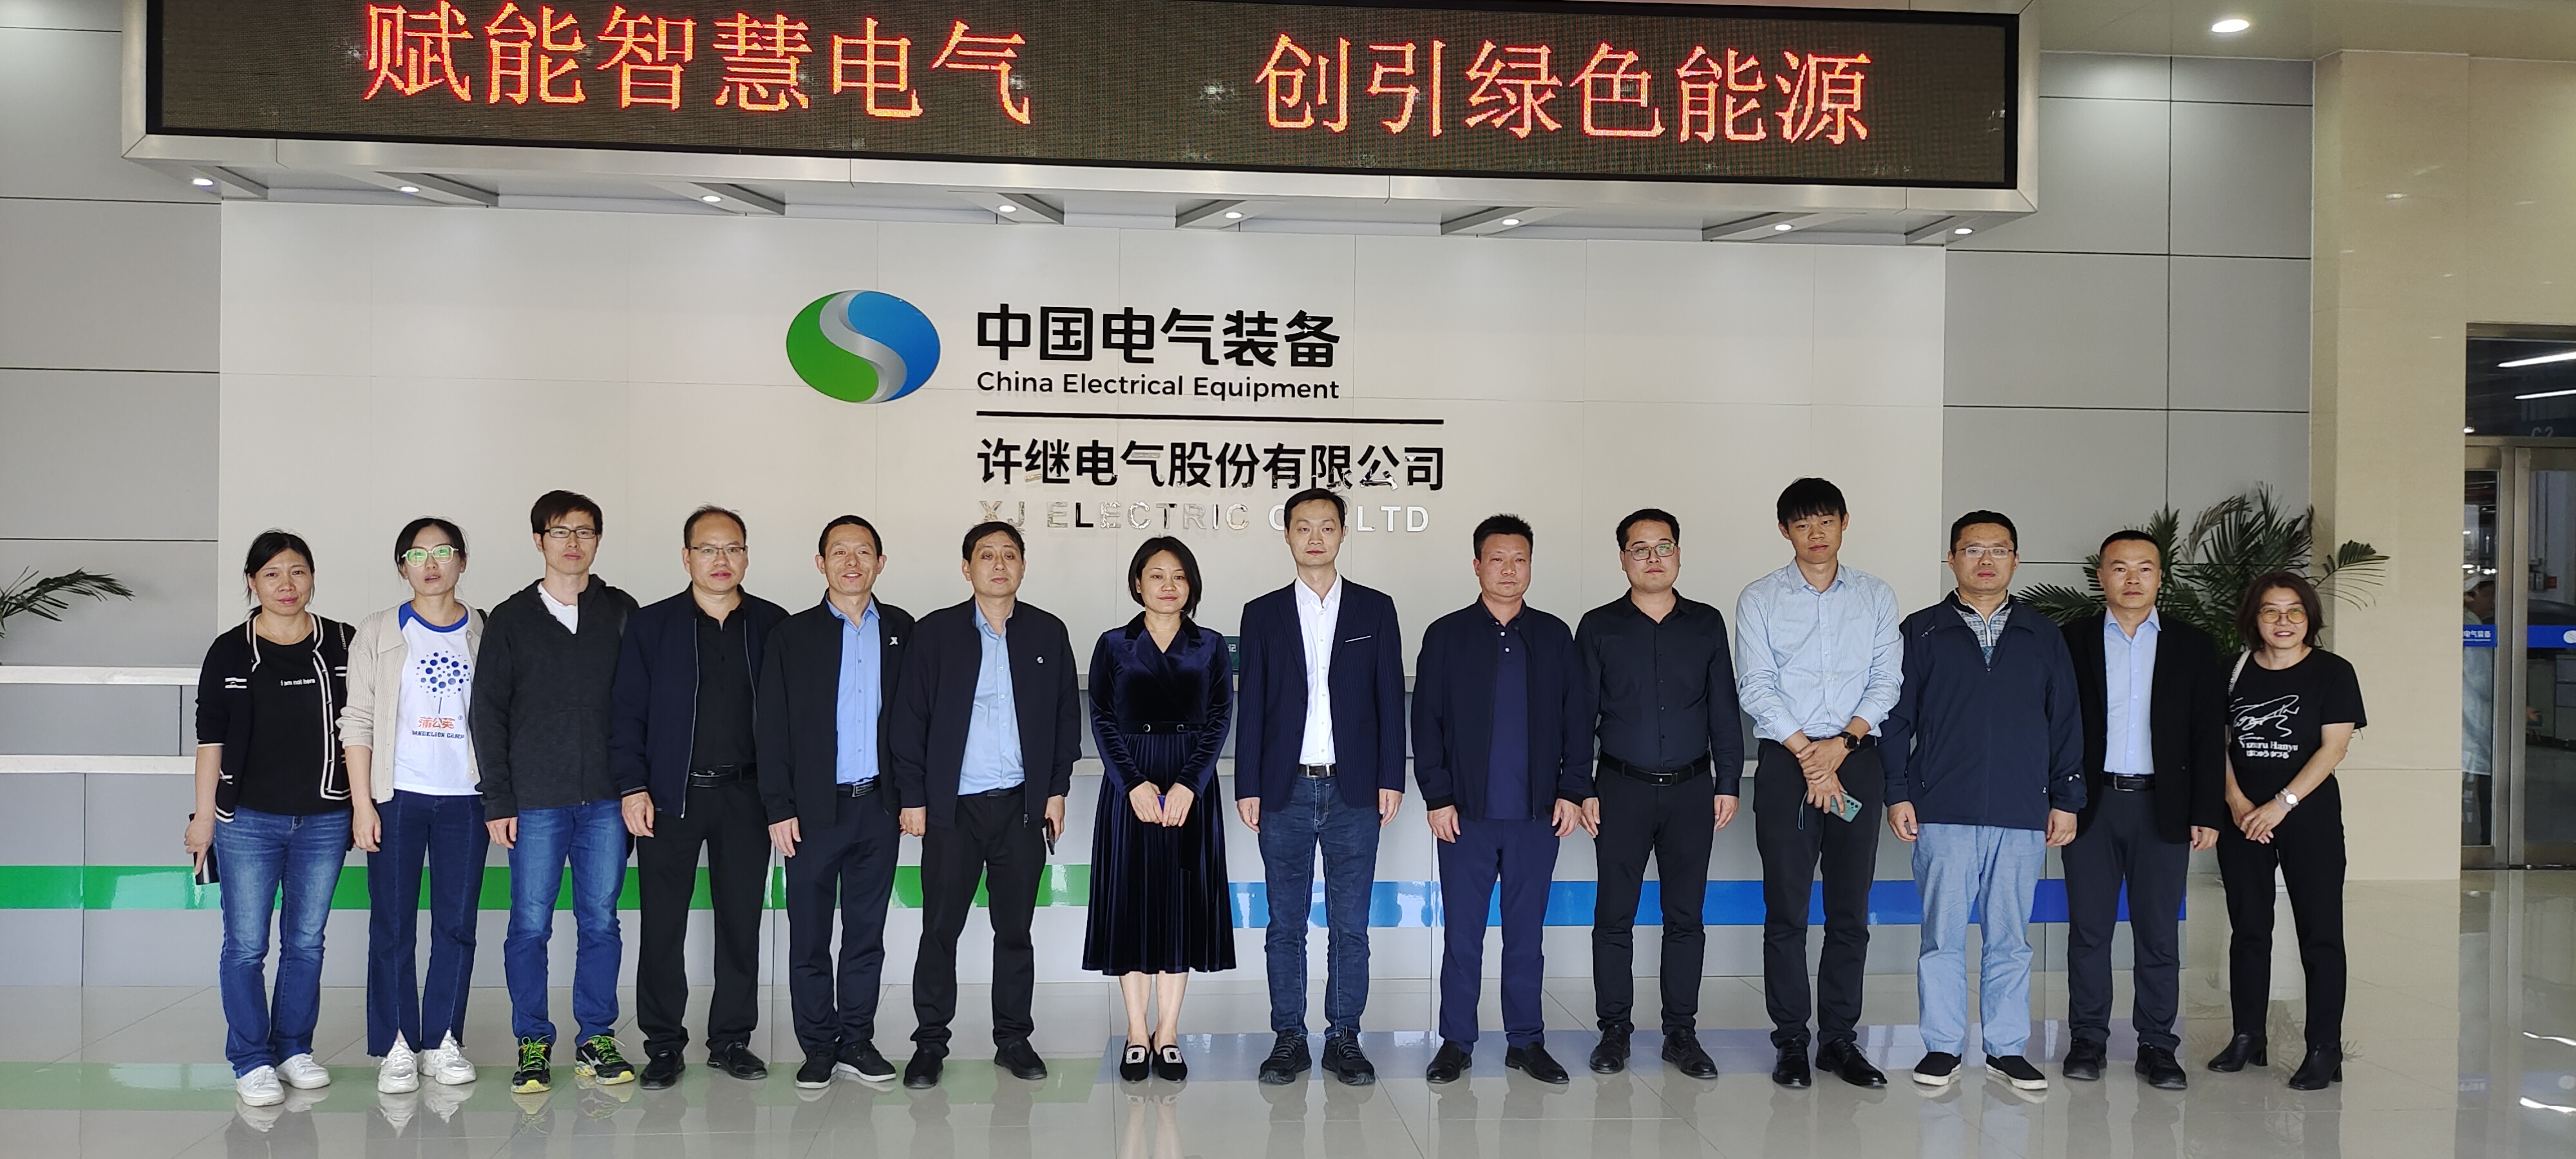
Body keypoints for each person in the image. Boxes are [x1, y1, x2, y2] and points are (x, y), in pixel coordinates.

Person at [1880, 511, 2083, 1093]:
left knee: (2010, 940)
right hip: (1942, 809)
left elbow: (2066, 722)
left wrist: (2067, 798)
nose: (1986, 560)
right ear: (1952, 559)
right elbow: (1896, 720)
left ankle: (2006, 1048)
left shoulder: (2043, 635)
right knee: (1941, 938)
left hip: (2022, 811)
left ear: (2016, 560)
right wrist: (1897, 792)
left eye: (1999, 550)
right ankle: (1942, 1046)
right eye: (1973, 549)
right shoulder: (1921, 632)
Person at [889, 521, 1079, 1089]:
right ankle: (930, 1043)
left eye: (1010, 555)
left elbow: (1066, 718)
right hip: (953, 810)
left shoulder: (1047, 631)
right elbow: (908, 720)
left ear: (1023, 566)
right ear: (966, 568)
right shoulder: (935, 633)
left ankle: (1013, 1039)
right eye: (987, 555)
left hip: (1021, 808)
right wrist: (914, 797)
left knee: (1015, 931)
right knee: (939, 930)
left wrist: (1056, 791)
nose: (999, 565)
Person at [1412, 514, 1595, 1086]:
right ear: (1477, 566)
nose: (1510, 569)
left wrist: (1572, 789)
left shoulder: (1554, 636)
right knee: (1463, 936)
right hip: (1464, 816)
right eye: (1498, 559)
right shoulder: (1446, 635)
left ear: (1531, 565)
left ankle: (1526, 1041)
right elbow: (1426, 722)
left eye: (1520, 559)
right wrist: (1438, 796)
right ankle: (1455, 1042)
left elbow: (1577, 720)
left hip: (1536, 817)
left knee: (1526, 937)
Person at [1732, 478, 1902, 1090]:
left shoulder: (1876, 596)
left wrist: (1841, 747)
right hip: (1787, 762)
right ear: (1785, 531)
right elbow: (1756, 685)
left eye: (1826, 521)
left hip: (1856, 757)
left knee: (1849, 910)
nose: (1816, 534)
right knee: (1787, 909)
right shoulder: (1759, 599)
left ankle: (1839, 1041)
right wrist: (1810, 755)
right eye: (1802, 525)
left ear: (1844, 522)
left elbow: (1887, 680)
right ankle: (1791, 1041)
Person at [611, 505, 788, 1089]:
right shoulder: (652, 625)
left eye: (732, 548)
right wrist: (633, 786)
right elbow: (627, 713)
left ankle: (731, 1040)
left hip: (747, 797)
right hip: (671, 798)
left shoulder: (772, 625)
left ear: (746, 556)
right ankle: (663, 1045)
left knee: (741, 924)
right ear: (686, 557)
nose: (721, 560)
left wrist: (782, 798)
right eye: (708, 549)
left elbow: (791, 720)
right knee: (663, 926)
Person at [1233, 488, 1406, 1086]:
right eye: (1303, 526)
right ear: (1286, 534)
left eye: (1326, 526)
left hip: (1353, 790)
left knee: (1349, 926)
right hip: (1283, 789)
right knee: (1285, 925)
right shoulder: (1262, 613)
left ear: (1342, 534)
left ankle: (1344, 1036)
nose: (1315, 537)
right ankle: (1289, 1037)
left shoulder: (1375, 609)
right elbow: (1253, 703)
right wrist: (1248, 784)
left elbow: (1389, 699)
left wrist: (1391, 777)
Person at [472, 490, 641, 1093]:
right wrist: (498, 799)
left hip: (607, 800)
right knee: (529, 926)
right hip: (535, 801)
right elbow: (488, 713)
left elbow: (640, 704)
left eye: (585, 532)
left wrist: (636, 786)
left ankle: (596, 1036)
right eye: (560, 532)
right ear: (538, 540)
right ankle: (532, 1040)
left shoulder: (621, 611)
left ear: (598, 541)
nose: (573, 543)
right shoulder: (511, 618)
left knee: (601, 921)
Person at [184, 531, 357, 1107]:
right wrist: (203, 819)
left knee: (306, 941)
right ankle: (251, 1058)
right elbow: (210, 740)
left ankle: (293, 1049)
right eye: (273, 573)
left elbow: (365, 727)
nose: (287, 584)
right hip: (246, 820)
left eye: (298, 571)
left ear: (312, 578)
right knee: (245, 945)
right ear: (252, 582)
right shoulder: (229, 651)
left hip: (325, 818)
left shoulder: (343, 643)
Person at [1575, 507, 1741, 1080]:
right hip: (1619, 788)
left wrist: (1727, 782)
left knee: (1685, 916)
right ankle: (1614, 1030)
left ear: (1678, 554)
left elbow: (1723, 709)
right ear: (1623, 558)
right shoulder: (1598, 626)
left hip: (1693, 791)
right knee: (1613, 915)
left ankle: (1681, 1033)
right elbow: (1579, 715)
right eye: (1640, 548)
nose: (1653, 558)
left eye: (1663, 546)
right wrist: (1581, 786)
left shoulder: (1706, 623)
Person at [2058, 531, 2225, 1090]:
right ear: (2101, 576)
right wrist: (2058, 799)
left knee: (2158, 934)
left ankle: (2157, 1044)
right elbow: (2053, 726)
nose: (2133, 579)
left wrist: (2207, 810)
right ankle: (2088, 1039)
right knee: (2089, 931)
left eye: (2145, 568)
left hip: (2164, 808)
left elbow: (2208, 734)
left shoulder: (2193, 646)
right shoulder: (2071, 640)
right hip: (2091, 806)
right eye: (2120, 568)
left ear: (2160, 577)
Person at [756, 516, 914, 1089]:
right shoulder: (792, 636)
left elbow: (915, 720)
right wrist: (779, 806)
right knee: (809, 935)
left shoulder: (902, 630)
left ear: (880, 563)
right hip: (812, 811)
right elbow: (771, 726)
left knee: (866, 933)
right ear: (821, 563)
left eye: (864, 552)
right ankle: (818, 1045)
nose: (852, 562)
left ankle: (857, 1040)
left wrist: (912, 797)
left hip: (879, 807)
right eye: (840, 552)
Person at [341, 518, 488, 1095]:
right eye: (418, 554)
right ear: (402, 566)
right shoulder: (379, 630)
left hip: (466, 800)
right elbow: (357, 720)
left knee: (457, 925)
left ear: (462, 561)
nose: (431, 564)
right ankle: (398, 1043)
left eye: (443, 552)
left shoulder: (485, 630)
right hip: (397, 797)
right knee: (393, 925)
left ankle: (444, 1039)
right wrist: (363, 804)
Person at [1084, 536, 1236, 1083]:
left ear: (1191, 585)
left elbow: (1220, 718)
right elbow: (1101, 717)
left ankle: (1167, 1033)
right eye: (1156, 575)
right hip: (1130, 784)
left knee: (1178, 908)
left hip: (1190, 783)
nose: (1168, 585)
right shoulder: (1113, 644)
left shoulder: (1210, 645)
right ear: (1137, 583)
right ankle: (1135, 1032)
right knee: (1131, 906)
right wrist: (1133, 784)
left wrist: (1191, 785)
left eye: (1179, 576)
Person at [2210, 570, 2365, 1091]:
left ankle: (2324, 1048)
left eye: (2295, 610)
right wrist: (2236, 801)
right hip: (2242, 818)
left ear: (2309, 618)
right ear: (2254, 618)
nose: (2284, 621)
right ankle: (2248, 1036)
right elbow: (2217, 742)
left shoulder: (2333, 672)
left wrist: (2281, 805)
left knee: (2320, 935)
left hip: (2308, 819)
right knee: (2248, 930)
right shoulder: (2232, 671)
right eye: (2271, 611)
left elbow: (2334, 748)